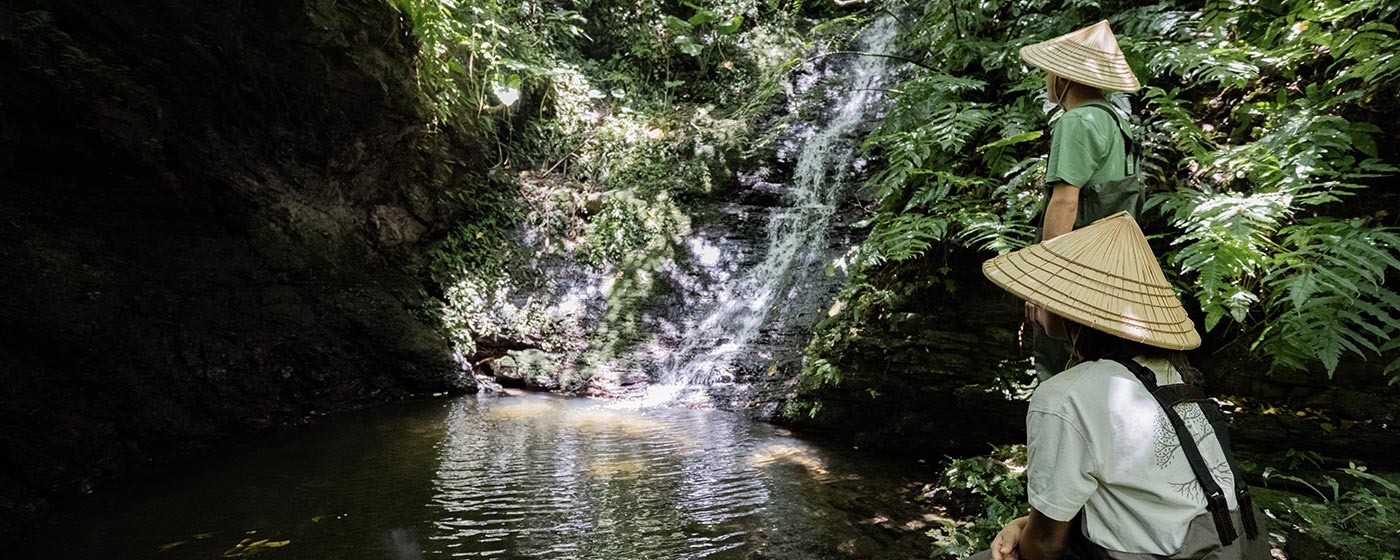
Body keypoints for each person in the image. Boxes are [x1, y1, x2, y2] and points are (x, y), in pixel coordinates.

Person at [972, 212, 1271, 560]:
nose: (1035, 299)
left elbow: (1047, 546)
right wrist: (1024, 523)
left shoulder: (1066, 396)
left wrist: (1026, 535)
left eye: (1048, 289)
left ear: (1077, 310)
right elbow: (1149, 505)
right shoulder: (1175, 377)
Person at [1020, 20, 1147, 380]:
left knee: (1061, 375)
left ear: (1064, 77)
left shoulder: (1075, 122)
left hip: (1074, 273)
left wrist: (1042, 282)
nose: (1047, 78)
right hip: (1111, 271)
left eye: (1049, 72)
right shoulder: (1117, 122)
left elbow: (1064, 203)